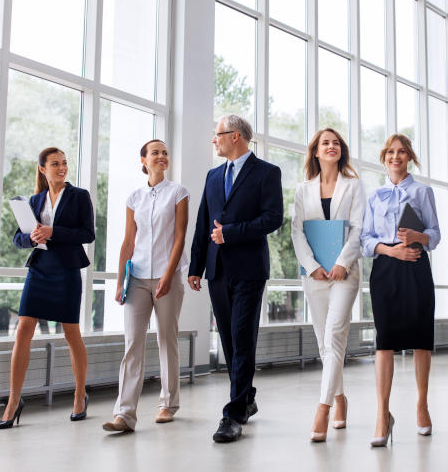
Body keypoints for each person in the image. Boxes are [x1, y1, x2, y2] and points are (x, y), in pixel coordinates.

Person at [188, 115, 283, 443]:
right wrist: (194, 267)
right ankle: (246, 398)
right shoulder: (213, 176)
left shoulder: (267, 173)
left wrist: (231, 234)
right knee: (229, 338)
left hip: (249, 270)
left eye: (218, 135)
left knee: (242, 336)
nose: (214, 141)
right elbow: (203, 222)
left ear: (236, 137)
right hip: (216, 270)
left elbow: (273, 218)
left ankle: (232, 414)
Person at [0, 147, 95, 429]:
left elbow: (87, 233)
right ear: (43, 169)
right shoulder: (34, 200)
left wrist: (53, 232)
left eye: (64, 163)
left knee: (71, 332)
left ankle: (79, 395)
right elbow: (17, 239)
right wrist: (32, 236)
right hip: (39, 269)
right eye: (55, 164)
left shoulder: (79, 196)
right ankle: (14, 401)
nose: (62, 168)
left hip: (66, 270)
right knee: (23, 329)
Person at [102, 139, 189, 433]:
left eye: (165, 152)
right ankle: (124, 414)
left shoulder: (178, 192)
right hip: (136, 277)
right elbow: (128, 241)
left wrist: (168, 274)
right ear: (144, 160)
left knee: (167, 339)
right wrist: (119, 282)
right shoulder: (134, 198)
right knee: (132, 345)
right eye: (156, 153)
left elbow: (179, 237)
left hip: (169, 276)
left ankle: (168, 403)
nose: (162, 156)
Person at [360, 134, 440, 447]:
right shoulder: (374, 195)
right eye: (391, 152)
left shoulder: (422, 191)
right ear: (384, 157)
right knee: (385, 342)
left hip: (417, 266)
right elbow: (365, 240)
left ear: (409, 157)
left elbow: (435, 235)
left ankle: (421, 405)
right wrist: (393, 251)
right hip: (386, 269)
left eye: (402, 152)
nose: (396, 157)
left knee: (421, 338)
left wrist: (417, 237)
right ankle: (382, 413)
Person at [291, 128, 365, 442]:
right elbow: (297, 232)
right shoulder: (302, 189)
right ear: (316, 152)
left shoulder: (354, 185)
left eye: (336, 142)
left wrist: (341, 262)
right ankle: (340, 398)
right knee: (325, 342)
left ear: (341, 151)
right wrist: (312, 267)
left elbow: (360, 227)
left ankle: (322, 408)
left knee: (335, 333)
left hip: (344, 274)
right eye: (325, 143)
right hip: (316, 276)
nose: (331, 146)